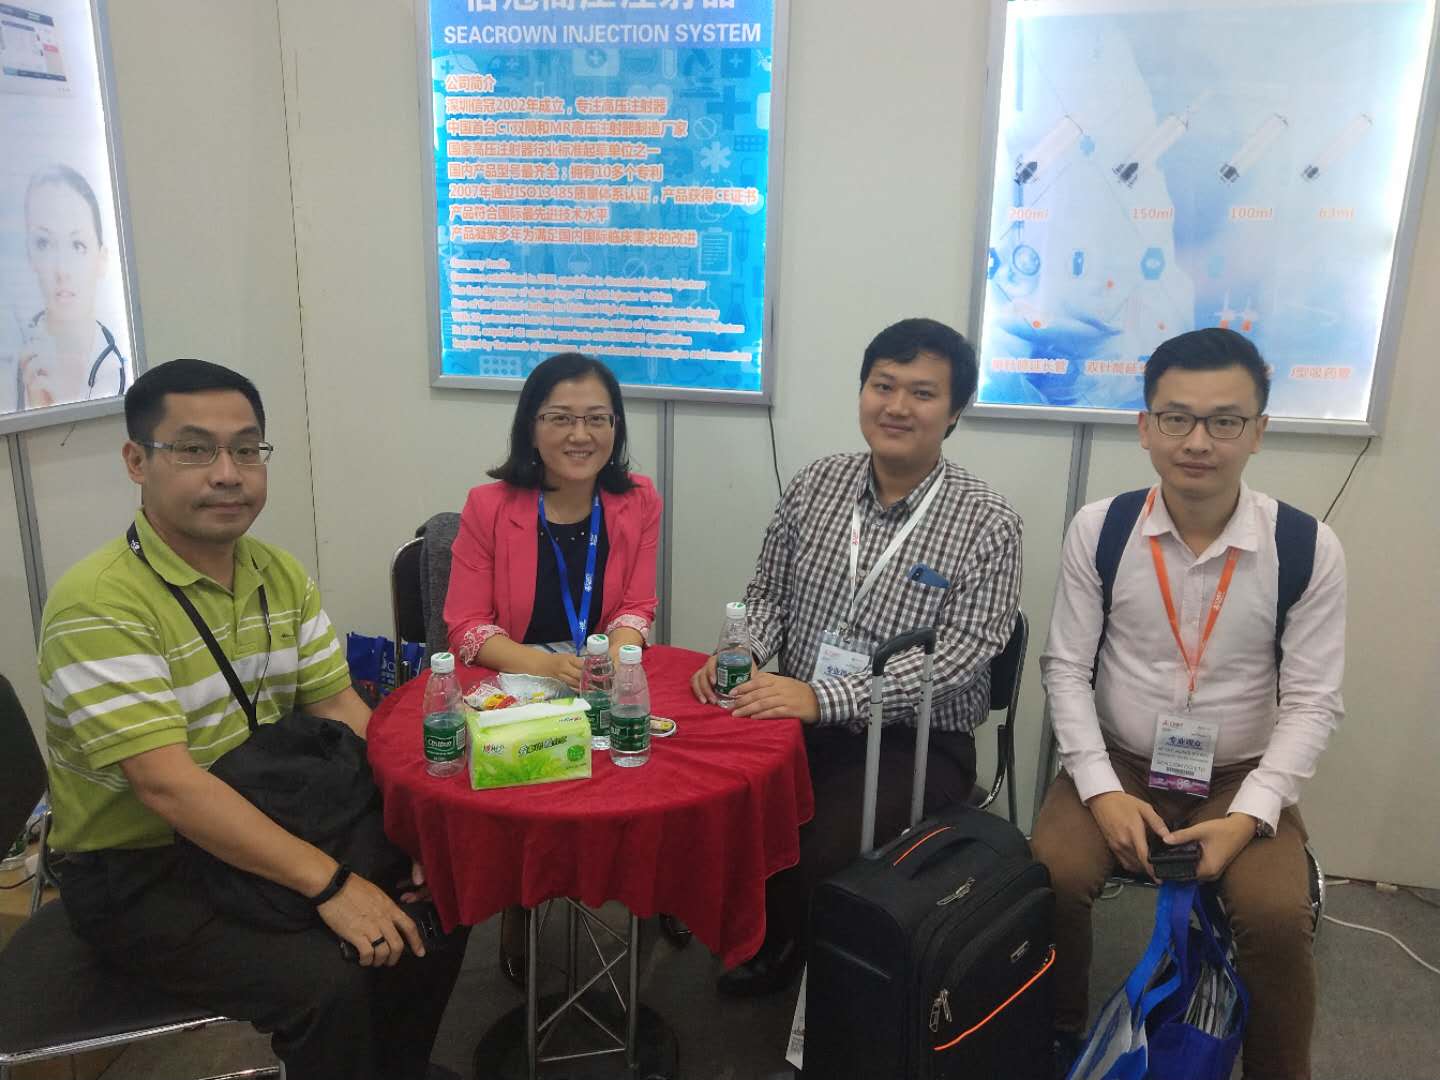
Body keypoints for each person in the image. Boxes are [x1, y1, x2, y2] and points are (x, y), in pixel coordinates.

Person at [38, 359, 465, 1080]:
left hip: (276, 810)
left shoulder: (276, 572)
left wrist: (410, 818)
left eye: (245, 449)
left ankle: (397, 1066)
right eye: (194, 449)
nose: (226, 474)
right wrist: (331, 885)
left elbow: (338, 706)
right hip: (141, 866)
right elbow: (169, 786)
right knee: (327, 983)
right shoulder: (99, 603)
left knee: (447, 894)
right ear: (137, 461)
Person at [1032, 328, 1345, 1080]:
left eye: (1224, 421)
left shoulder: (1307, 546)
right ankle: (1056, 1038)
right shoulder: (1102, 530)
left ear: (1258, 431)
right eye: (1177, 418)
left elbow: (1312, 703)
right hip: (1120, 763)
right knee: (1050, 873)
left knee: (1275, 915)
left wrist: (1249, 816)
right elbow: (1066, 670)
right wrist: (1101, 791)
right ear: (1146, 426)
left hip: (1240, 775)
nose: (1198, 441)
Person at [691, 317, 1023, 996]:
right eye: (883, 385)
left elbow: (959, 657)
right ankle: (762, 927)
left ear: (954, 410)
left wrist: (825, 698)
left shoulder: (988, 522)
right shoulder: (816, 485)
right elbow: (767, 596)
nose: (897, 406)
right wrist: (740, 655)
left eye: (922, 393)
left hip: (916, 740)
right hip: (799, 715)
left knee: (817, 847)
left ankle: (811, 963)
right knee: (710, 796)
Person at [443, 350, 661, 983]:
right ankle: (522, 901)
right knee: (535, 786)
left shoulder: (638, 500)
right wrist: (545, 665)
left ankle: (646, 894)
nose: (579, 434)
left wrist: (613, 657)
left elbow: (638, 605)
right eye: (560, 417)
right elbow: (466, 627)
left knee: (641, 771)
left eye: (597, 418)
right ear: (531, 427)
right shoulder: (489, 506)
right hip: (520, 679)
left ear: (616, 427)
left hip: (604, 673)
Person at [14, 164, 129, 410]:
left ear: (102, 260)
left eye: (77, 245)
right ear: (30, 256)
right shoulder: (12, 368)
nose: (62, 270)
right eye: (44, 243)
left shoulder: (123, 370)